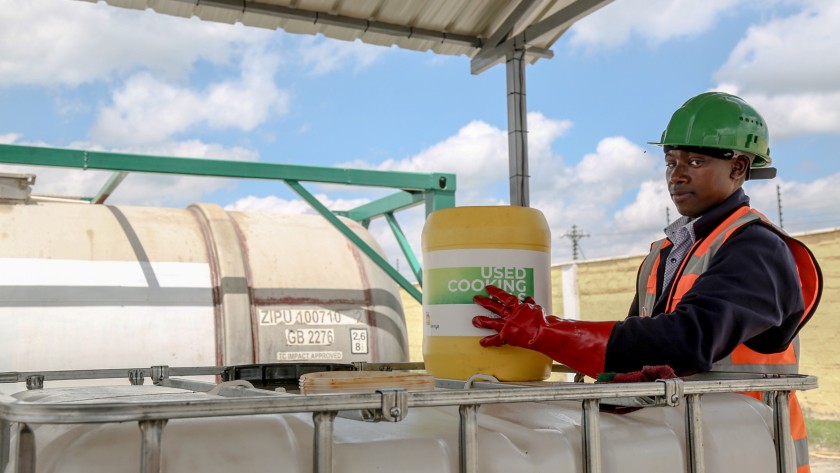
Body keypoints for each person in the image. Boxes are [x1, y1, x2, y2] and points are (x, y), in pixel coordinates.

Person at [472, 91, 822, 473]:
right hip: (686, 445)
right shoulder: (667, 252)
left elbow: (686, 341)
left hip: (753, 450)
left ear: (738, 168)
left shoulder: (756, 248)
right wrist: (551, 330)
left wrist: (546, 334)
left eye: (695, 161)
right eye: (670, 161)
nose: (677, 175)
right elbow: (637, 353)